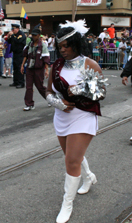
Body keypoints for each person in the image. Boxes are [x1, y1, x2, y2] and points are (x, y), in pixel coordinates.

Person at [46, 20, 105, 223]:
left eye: (66, 45)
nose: (62, 50)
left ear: (76, 43)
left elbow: (102, 92)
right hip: (61, 117)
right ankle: (88, 176)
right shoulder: (56, 66)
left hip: (83, 115)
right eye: (59, 46)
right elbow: (47, 92)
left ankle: (67, 204)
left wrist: (79, 90)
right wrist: (58, 103)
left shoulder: (90, 64)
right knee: (72, 156)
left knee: (71, 161)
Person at [20, 27, 50, 111]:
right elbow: (25, 55)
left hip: (39, 69)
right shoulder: (29, 44)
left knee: (40, 86)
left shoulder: (42, 45)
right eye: (32, 35)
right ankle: (29, 104)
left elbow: (46, 58)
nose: (33, 37)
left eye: (35, 35)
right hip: (30, 68)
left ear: (38, 35)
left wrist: (47, 70)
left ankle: (50, 98)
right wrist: (22, 65)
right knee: (28, 87)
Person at [8, 24, 26, 88]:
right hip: (15, 53)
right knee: (15, 68)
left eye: (14, 29)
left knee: (19, 68)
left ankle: (21, 83)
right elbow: (9, 41)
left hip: (20, 53)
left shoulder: (21, 34)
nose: (13, 31)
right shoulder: (14, 35)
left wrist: (13, 35)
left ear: (17, 29)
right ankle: (16, 81)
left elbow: (18, 41)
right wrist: (9, 36)